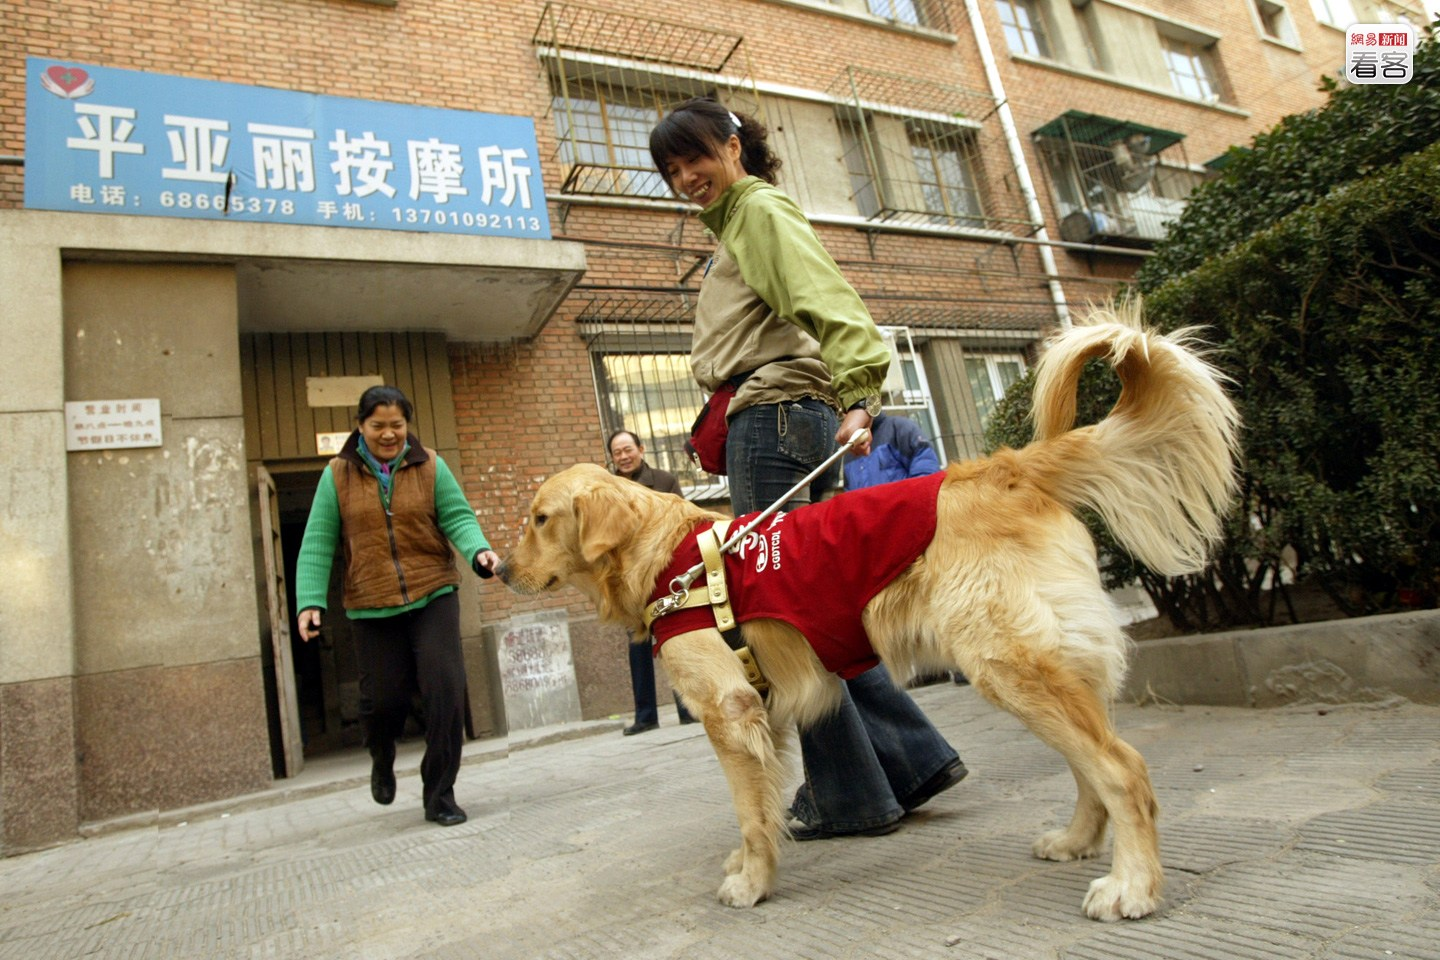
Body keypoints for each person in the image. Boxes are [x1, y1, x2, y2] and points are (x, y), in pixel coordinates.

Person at [649, 97, 967, 841]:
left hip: (775, 420)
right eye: (671, 169)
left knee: (778, 617)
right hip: (784, 418)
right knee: (818, 607)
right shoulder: (740, 222)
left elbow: (831, 301)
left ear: (733, 145)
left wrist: (860, 394)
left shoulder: (756, 209)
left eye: (695, 156)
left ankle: (851, 794)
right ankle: (911, 761)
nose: (686, 176)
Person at [295, 385, 500, 827]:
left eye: (397, 425)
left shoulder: (430, 465)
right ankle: (381, 752)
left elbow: (457, 516)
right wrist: (309, 601)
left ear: (407, 425)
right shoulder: (337, 475)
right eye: (378, 426)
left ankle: (439, 793)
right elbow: (317, 540)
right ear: (360, 426)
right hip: (371, 602)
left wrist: (478, 551)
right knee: (384, 700)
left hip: (433, 591)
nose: (389, 434)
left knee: (445, 690)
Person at [607, 429, 699, 735]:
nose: (623, 456)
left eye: (627, 449)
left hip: (663, 572)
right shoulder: (608, 489)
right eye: (617, 452)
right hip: (630, 579)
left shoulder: (664, 481)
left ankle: (688, 709)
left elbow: (684, 521)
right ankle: (645, 715)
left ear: (641, 449)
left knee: (675, 638)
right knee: (638, 645)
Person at [842, 412, 941, 490]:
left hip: (907, 513)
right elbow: (850, 496)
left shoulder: (899, 428)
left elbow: (927, 480)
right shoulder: (850, 450)